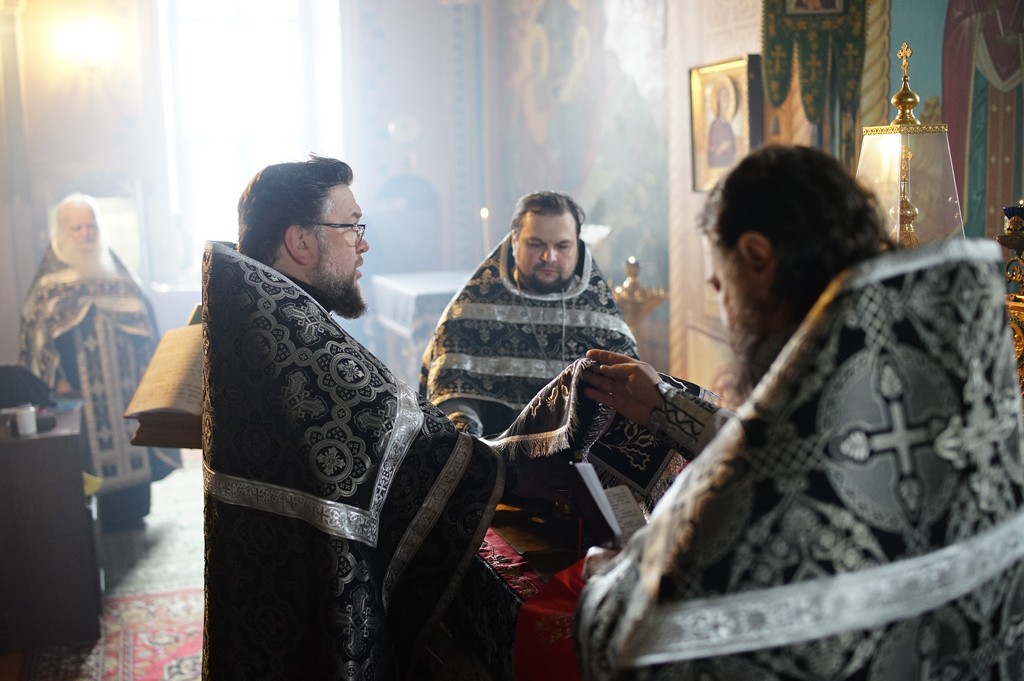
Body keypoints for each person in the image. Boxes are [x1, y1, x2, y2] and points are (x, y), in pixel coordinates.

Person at [573, 145, 1024, 679]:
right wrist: (669, 408)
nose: (724, 309)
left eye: (719, 283)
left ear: (757, 257)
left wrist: (606, 579)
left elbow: (632, 644)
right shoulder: (929, 351)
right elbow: (804, 445)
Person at [204, 156, 620, 679]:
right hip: (290, 594)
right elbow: (400, 438)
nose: (364, 243)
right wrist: (510, 471)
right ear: (300, 241)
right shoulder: (293, 334)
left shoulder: (265, 308)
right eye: (351, 226)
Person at [19, 193, 180, 531]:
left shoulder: (118, 275)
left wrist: (148, 370)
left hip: (125, 386)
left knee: (132, 445)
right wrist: (56, 381)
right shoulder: (49, 286)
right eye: (76, 228)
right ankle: (95, 522)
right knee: (87, 458)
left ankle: (134, 511)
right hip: (78, 392)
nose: (86, 234)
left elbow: (144, 323)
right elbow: (37, 340)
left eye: (90, 226)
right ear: (62, 233)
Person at [420, 190, 639, 437]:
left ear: (578, 247)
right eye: (536, 244)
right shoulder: (469, 312)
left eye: (562, 246)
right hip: (492, 454)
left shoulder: (603, 321)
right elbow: (451, 395)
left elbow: (626, 406)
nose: (549, 257)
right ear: (514, 241)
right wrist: (472, 442)